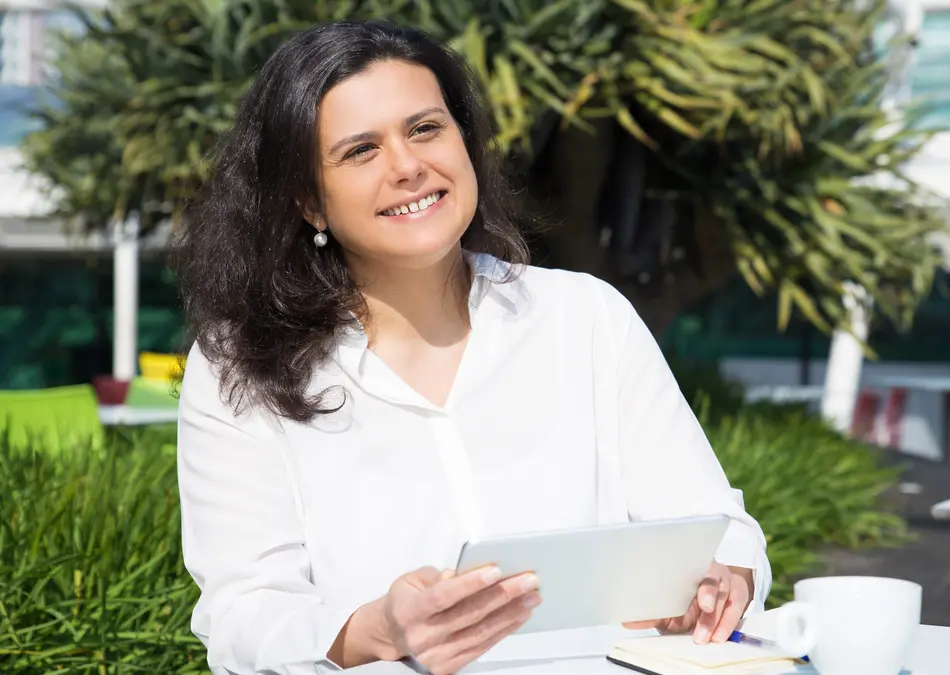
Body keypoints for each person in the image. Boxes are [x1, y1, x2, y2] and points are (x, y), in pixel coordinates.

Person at [173, 20, 770, 675]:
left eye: (426, 128)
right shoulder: (239, 365)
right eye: (360, 150)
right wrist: (378, 627)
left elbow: (719, 527)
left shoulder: (587, 317)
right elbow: (242, 616)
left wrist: (724, 581)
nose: (407, 166)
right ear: (310, 202)